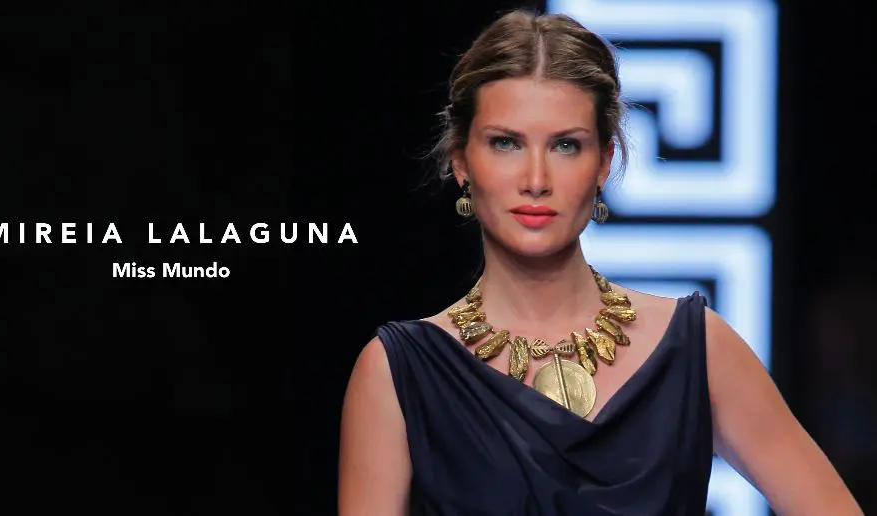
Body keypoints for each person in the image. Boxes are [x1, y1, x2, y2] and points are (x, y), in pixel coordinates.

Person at [337, 9, 862, 516]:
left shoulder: (696, 348)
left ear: (605, 162)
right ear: (461, 162)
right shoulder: (398, 373)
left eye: (566, 145)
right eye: (506, 143)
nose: (536, 180)